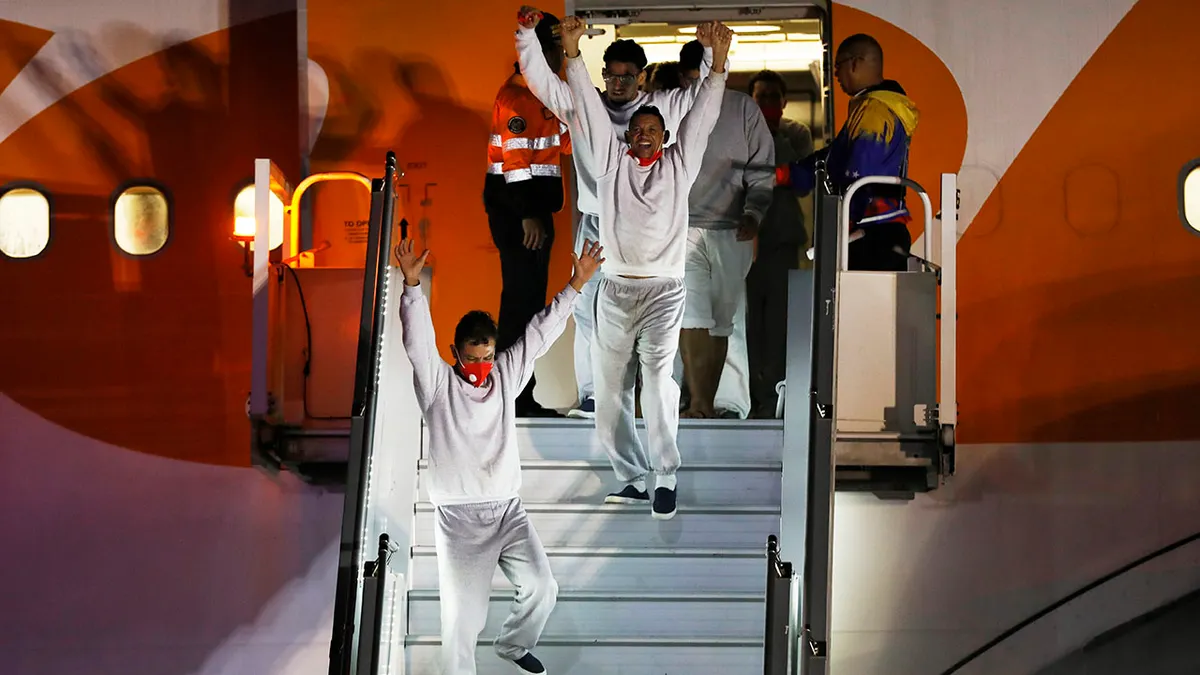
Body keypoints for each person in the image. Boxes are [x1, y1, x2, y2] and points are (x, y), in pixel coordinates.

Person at [396, 236, 605, 675]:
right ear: (455, 354)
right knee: (462, 622)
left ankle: (513, 643)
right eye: (472, 358)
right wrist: (412, 286)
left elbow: (539, 334)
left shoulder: (505, 376)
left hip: (508, 511)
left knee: (542, 587)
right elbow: (418, 344)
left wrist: (576, 284)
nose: (480, 367)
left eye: (487, 357)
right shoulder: (438, 385)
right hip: (459, 521)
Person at [556, 15, 732, 519]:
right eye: (638, 131)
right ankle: (631, 478)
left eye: (654, 130)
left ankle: (665, 474)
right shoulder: (610, 163)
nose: (645, 136)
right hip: (614, 292)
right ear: (627, 137)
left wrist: (718, 64)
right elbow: (589, 108)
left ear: (665, 136)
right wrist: (572, 56)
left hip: (663, 294)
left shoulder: (681, 164)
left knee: (656, 382)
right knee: (610, 391)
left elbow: (703, 115)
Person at [516, 6, 719, 419]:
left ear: (641, 77)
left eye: (628, 76)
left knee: (661, 319)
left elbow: (704, 98)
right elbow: (540, 82)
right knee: (587, 312)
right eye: (611, 74)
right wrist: (525, 34)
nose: (619, 83)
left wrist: (714, 54)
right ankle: (594, 397)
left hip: (652, 230)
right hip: (597, 225)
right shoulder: (582, 103)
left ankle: (660, 397)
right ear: (603, 73)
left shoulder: (662, 107)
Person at [674, 40, 774, 420]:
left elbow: (761, 168)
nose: (700, 86)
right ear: (684, 77)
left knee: (725, 320)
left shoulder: (743, 108)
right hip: (682, 229)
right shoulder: (672, 105)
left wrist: (754, 214)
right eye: (693, 79)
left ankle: (729, 403)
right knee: (690, 317)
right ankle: (697, 402)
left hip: (732, 229)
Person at [484, 11, 571, 417]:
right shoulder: (518, 98)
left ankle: (520, 394)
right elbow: (516, 165)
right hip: (521, 215)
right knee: (521, 305)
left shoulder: (540, 96)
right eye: (557, 50)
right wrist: (529, 215)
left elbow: (564, 146)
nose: (561, 58)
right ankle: (512, 397)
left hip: (531, 213)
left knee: (529, 304)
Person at [778, 33, 919, 271]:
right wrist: (789, 174)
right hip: (875, 231)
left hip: (871, 235)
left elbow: (860, 169)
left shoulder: (874, 111)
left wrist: (848, 219)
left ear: (854, 63)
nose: (835, 75)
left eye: (837, 66)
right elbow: (835, 157)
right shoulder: (872, 107)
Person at [746, 69, 813, 418]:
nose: (768, 103)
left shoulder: (796, 134)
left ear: (785, 101)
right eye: (762, 97)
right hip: (744, 242)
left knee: (779, 325)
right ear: (751, 100)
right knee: (747, 324)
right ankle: (749, 396)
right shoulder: (739, 131)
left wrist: (773, 138)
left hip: (782, 241)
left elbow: (804, 182)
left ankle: (775, 397)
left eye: (774, 97)